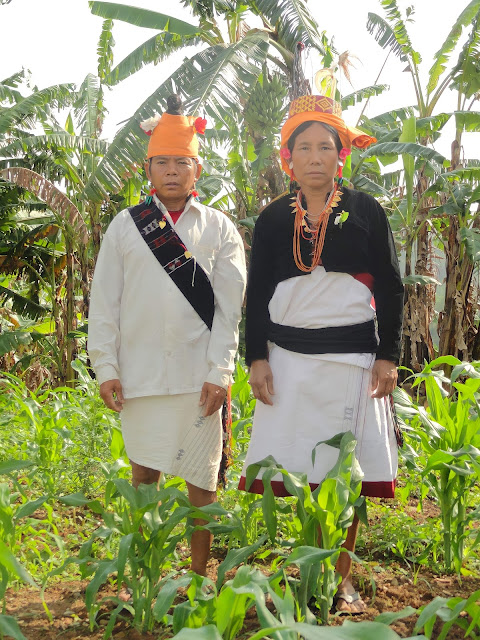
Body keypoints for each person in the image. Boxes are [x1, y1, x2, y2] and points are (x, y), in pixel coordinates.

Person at [238, 95, 404, 613]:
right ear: (288, 157)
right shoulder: (270, 220)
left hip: (354, 360)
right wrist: (256, 358)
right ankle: (306, 564)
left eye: (324, 147)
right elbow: (258, 291)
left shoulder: (367, 212)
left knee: (345, 469)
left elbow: (393, 288)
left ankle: (342, 572)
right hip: (288, 359)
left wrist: (388, 356)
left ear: (340, 156)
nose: (314, 157)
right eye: (303, 147)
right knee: (299, 462)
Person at [88, 94, 246, 577]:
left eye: (182, 162)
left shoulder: (220, 228)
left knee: (202, 482)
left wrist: (221, 371)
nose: (172, 171)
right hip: (139, 376)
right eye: (163, 163)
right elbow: (104, 303)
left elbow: (229, 310)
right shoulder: (124, 227)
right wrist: (107, 368)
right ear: (148, 168)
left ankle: (199, 577)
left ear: (197, 169)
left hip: (200, 379)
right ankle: (147, 572)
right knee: (144, 475)